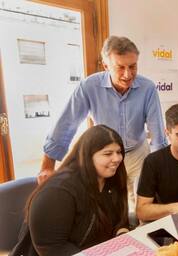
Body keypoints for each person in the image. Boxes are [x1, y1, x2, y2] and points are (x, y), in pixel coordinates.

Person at [38, 36, 167, 212]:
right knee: (107, 207)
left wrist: (161, 169)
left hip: (137, 153)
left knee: (143, 208)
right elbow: (67, 123)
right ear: (106, 66)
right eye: (120, 67)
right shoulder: (89, 86)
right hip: (104, 156)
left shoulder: (148, 88)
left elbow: (158, 134)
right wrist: (47, 165)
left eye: (132, 66)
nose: (127, 74)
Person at [0, 125, 129, 256]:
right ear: (87, 156)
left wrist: (122, 234)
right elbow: (51, 246)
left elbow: (120, 217)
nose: (117, 159)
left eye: (119, 152)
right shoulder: (59, 191)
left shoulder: (112, 181)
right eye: (108, 153)